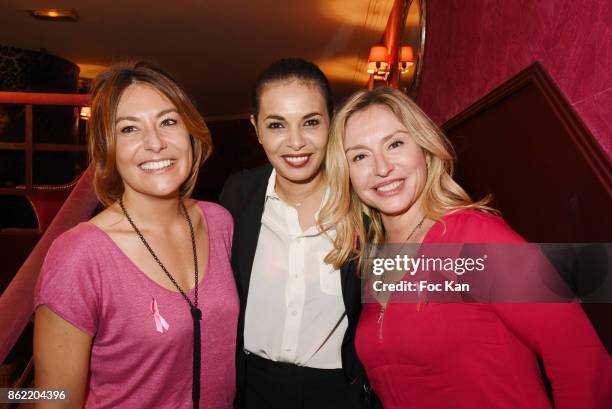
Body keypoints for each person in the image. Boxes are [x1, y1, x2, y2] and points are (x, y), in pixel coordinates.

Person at [319, 86, 612, 409]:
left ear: (424, 149)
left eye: (395, 143)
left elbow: (580, 356)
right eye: (360, 156)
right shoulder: (372, 258)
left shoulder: (475, 237)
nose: (382, 167)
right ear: (345, 174)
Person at [34, 61, 238, 409]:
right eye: (129, 129)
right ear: (107, 149)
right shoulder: (80, 255)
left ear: (190, 131)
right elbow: (53, 399)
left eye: (168, 121)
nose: (155, 143)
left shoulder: (218, 223)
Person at [219, 58, 376, 409]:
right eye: (277, 125)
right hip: (250, 389)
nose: (295, 142)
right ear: (256, 128)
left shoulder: (365, 203)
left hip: (339, 393)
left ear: (330, 122)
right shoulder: (237, 196)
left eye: (310, 122)